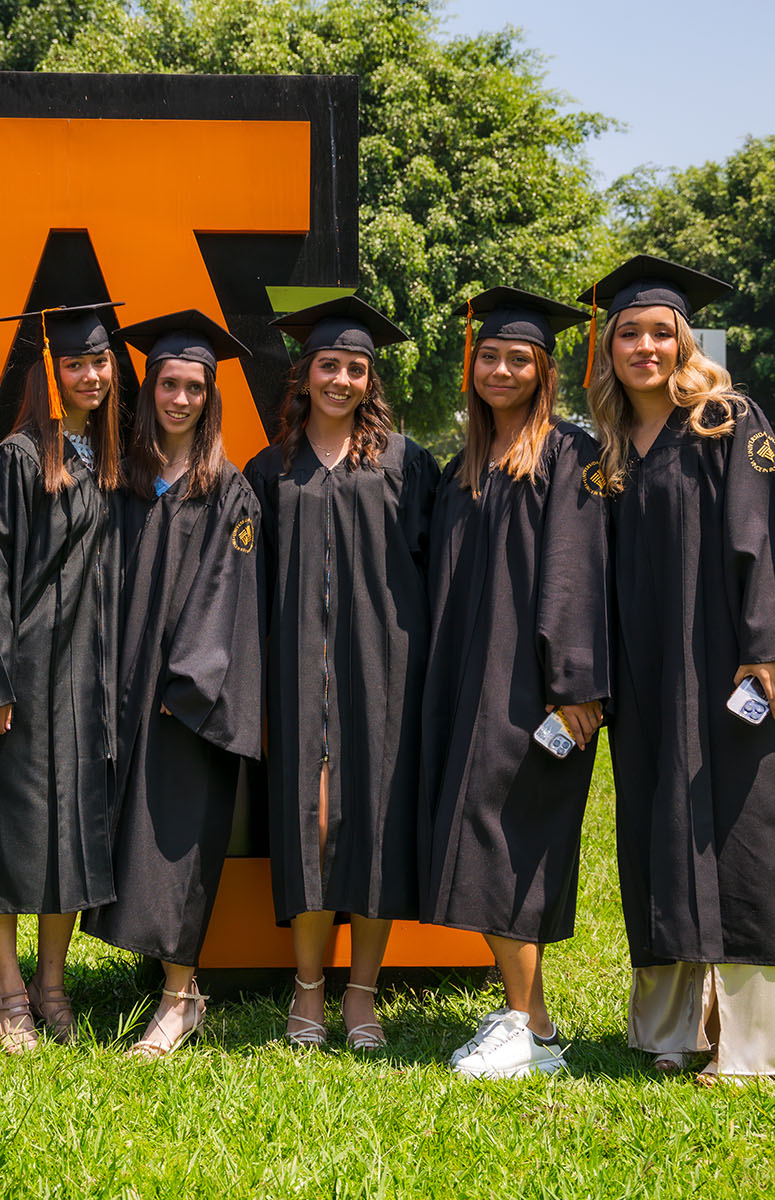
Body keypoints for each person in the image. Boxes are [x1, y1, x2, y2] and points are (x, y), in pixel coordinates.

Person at [582, 254, 775, 1080]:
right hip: (645, 673)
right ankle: (673, 1029)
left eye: (660, 332)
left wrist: (769, 647)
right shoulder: (608, 446)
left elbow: (762, 533)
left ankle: (762, 1042)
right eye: (629, 334)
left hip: (725, 665)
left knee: (744, 830)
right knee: (655, 829)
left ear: (684, 340)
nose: (644, 347)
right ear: (608, 347)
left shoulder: (726, 418)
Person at [416, 288, 609, 1079]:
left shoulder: (569, 457)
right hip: (465, 680)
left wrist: (576, 688)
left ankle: (528, 1027)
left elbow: (576, 577)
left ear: (543, 370)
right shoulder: (461, 463)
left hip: (532, 687)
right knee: (486, 843)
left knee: (503, 842)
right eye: (489, 355)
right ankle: (534, 1023)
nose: (500, 369)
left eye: (517, 358)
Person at [244, 295, 439, 1051]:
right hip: (297, 674)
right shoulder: (270, 470)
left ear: (370, 380)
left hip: (384, 671)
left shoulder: (405, 464)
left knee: (376, 827)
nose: (342, 379)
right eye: (330, 364)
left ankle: (363, 996)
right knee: (313, 827)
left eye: (356, 368)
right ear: (305, 374)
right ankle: (308, 992)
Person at [0, 299, 125, 1053]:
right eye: (75, 363)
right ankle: (8, 989)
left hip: (87, 679)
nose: (89, 374)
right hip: (24, 677)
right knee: (9, 837)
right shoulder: (20, 458)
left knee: (73, 835)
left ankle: (53, 983)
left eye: (99, 361)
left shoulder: (112, 458)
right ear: (50, 374)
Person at [82, 311, 262, 1058]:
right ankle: (158, 983)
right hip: (113, 691)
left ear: (210, 397)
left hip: (185, 702)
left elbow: (229, 594)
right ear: (148, 386)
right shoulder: (118, 479)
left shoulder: (231, 494)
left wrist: (186, 685)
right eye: (168, 382)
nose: (179, 397)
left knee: (177, 844)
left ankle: (182, 996)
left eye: (194, 386)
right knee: (125, 841)